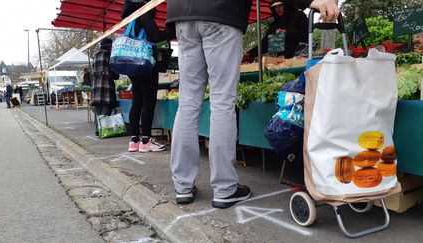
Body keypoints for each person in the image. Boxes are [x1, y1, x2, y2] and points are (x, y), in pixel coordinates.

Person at [166, 0, 339, 209]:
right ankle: (224, 189)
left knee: (188, 103)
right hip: (221, 12)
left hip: (182, 13)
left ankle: (182, 186)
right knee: (222, 102)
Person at [121, 0, 175, 153]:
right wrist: (171, 29)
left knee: (137, 101)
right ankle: (145, 140)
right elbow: (156, 36)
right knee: (148, 102)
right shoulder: (142, 13)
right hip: (144, 64)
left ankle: (134, 141)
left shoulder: (129, 18)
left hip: (132, 64)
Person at [244, 0, 309, 60]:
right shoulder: (274, 25)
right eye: (275, 7)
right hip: (281, 61)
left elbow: (307, 35)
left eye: (280, 5)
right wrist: (250, 54)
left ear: (286, 5)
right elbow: (265, 44)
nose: (278, 9)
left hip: (300, 58)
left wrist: (288, 33)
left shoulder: (299, 15)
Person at [91, 38, 120, 137]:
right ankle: (104, 130)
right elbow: (114, 72)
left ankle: (97, 130)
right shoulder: (109, 55)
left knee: (98, 108)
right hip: (106, 85)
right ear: (109, 46)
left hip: (96, 86)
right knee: (106, 107)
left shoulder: (95, 55)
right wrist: (116, 74)